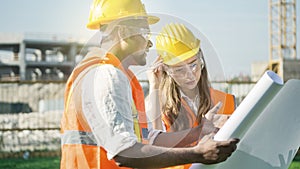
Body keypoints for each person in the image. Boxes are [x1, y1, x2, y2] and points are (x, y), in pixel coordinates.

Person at [60, 0, 239, 168]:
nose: (150, 42)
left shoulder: (112, 73)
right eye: (145, 32)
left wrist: (198, 132)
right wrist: (197, 154)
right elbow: (124, 152)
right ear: (123, 33)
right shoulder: (107, 74)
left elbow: (147, 139)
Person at [147, 23, 236, 146]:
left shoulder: (227, 101)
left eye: (193, 65)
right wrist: (154, 85)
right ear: (167, 70)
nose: (189, 75)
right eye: (179, 70)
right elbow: (156, 147)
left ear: (201, 61)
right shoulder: (160, 106)